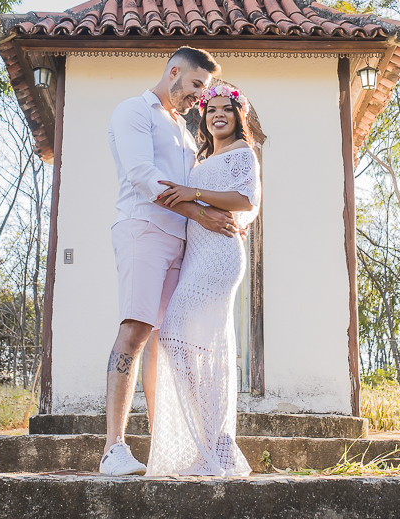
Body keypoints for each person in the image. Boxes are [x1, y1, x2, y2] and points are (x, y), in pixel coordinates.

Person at [99, 47, 243, 477]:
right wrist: (202, 214)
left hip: (182, 243)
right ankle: (114, 448)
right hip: (143, 229)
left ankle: (168, 443)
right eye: (197, 85)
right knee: (137, 329)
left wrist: (230, 219)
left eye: (206, 89)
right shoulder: (133, 111)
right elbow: (142, 175)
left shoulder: (183, 129)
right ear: (174, 72)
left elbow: (202, 186)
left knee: (170, 342)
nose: (200, 97)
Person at [145, 84, 261, 477]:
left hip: (219, 257)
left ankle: (214, 444)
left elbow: (246, 200)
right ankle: (211, 443)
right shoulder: (205, 156)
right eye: (210, 110)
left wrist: (193, 192)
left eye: (225, 109)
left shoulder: (243, 153)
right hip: (196, 255)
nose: (217, 116)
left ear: (238, 115)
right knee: (191, 344)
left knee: (179, 333)